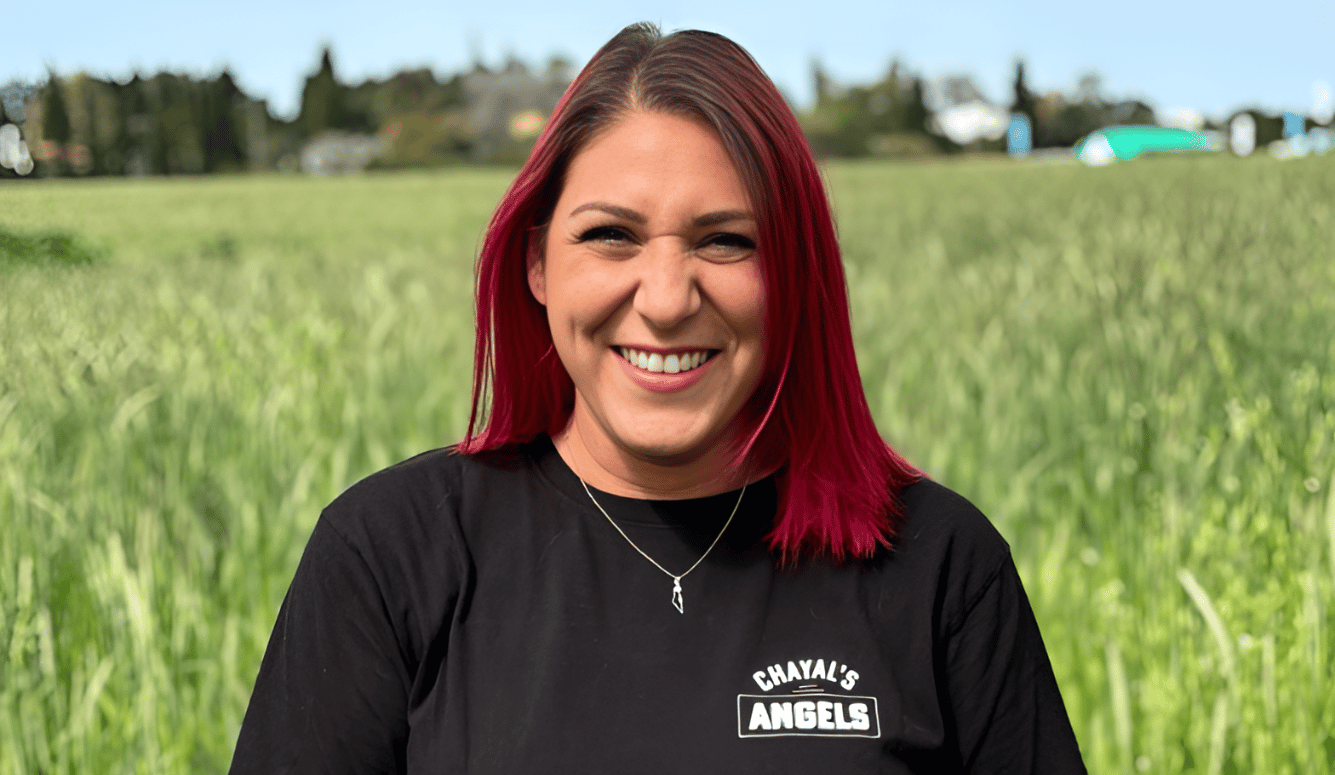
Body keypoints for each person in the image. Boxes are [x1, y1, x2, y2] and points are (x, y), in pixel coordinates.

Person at [230, 23, 1086, 774]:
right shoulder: (387, 557)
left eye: (725, 240)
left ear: (794, 275)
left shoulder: (940, 567)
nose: (667, 298)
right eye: (611, 235)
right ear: (535, 263)